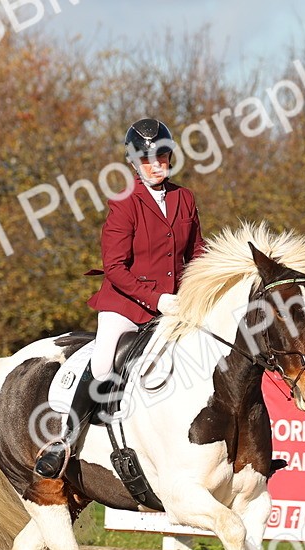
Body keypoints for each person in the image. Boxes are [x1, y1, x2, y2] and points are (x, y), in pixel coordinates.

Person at [34, 118, 207, 478]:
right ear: (133, 163)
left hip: (175, 305)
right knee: (102, 365)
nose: (156, 165)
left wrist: (201, 290)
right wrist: (157, 300)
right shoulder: (125, 202)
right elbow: (114, 267)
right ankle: (65, 441)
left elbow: (197, 253)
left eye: (162, 156)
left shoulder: (184, 198)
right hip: (126, 303)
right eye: (146, 160)